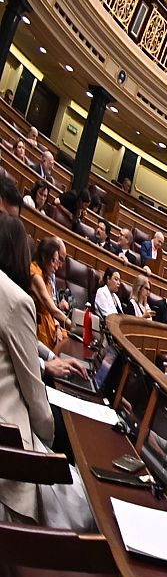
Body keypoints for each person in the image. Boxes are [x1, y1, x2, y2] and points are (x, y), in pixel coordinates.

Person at [0, 215, 60, 524]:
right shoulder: (17, 298)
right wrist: (50, 438)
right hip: (9, 453)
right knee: (78, 505)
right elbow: (35, 397)